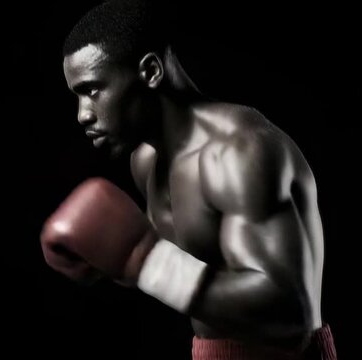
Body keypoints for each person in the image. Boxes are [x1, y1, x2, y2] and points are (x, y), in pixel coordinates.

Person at [39, 0, 338, 359]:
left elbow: (291, 314)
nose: (83, 115)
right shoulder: (145, 162)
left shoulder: (241, 152)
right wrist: (108, 264)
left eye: (92, 90)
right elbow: (195, 272)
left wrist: (142, 262)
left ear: (150, 72)